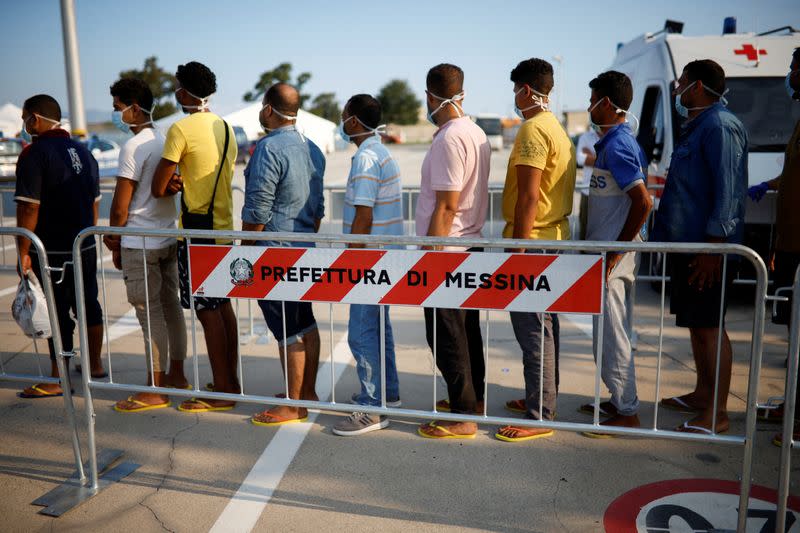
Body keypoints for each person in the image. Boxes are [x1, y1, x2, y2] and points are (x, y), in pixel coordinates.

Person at [652, 59, 748, 434]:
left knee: (710, 326)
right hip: (689, 247)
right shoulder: (699, 126)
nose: (677, 90)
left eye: (681, 84)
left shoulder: (720, 127)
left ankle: (717, 414)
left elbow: (728, 194)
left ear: (697, 86)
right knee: (696, 325)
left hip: (708, 249)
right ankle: (702, 394)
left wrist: (713, 249)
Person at [495, 58, 576, 443]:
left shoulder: (531, 129)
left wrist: (519, 251)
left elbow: (529, 196)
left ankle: (540, 413)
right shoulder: (556, 128)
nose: (513, 96)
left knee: (533, 330)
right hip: (553, 239)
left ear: (527, 90)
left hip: (533, 242)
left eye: (515, 89)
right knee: (545, 326)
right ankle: (542, 397)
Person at [151, 61, 239, 412]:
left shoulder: (181, 129)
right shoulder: (226, 127)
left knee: (206, 311)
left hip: (197, 232)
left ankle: (221, 390)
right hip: (222, 227)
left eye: (177, 88)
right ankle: (231, 381)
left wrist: (173, 181)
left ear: (184, 92)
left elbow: (159, 186)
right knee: (223, 307)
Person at [241, 83, 325, 426]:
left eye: (263, 105)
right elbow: (318, 208)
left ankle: (293, 403)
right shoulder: (314, 148)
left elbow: (258, 208)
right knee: (305, 321)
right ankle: (306, 392)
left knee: (287, 327)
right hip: (304, 246)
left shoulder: (269, 148)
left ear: (270, 109)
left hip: (275, 251)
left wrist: (245, 251)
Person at [104, 77, 189, 413]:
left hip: (140, 239)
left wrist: (114, 243)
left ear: (133, 108)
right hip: (168, 236)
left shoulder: (133, 147)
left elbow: (121, 205)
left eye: (117, 107)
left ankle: (155, 388)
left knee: (149, 313)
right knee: (171, 309)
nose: (117, 114)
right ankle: (177, 376)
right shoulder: (165, 138)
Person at [415, 63, 490, 440]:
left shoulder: (448, 138)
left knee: (447, 335)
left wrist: (430, 255)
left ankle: (463, 415)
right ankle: (472, 401)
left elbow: (446, 205)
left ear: (431, 96)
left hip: (448, 249)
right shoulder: (475, 132)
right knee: (467, 330)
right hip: (468, 243)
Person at [14, 94, 106, 397]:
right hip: (84, 242)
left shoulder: (34, 154)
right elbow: (94, 203)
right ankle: (94, 365)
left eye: (25, 116)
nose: (24, 123)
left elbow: (29, 208)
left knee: (56, 309)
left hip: (51, 247)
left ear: (36, 119)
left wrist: (23, 251)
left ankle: (57, 378)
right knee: (88, 304)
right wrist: (88, 235)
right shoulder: (83, 150)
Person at [579, 71, 653, 436]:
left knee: (613, 334)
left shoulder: (620, 144)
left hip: (612, 255)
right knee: (606, 333)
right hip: (608, 252)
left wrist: (616, 251)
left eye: (592, 98)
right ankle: (616, 397)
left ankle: (627, 409)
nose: (589, 105)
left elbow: (643, 201)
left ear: (607, 103)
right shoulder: (613, 142)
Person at [332, 94, 404, 436]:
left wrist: (353, 261)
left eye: (344, 115)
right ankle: (387, 394)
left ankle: (371, 408)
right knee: (379, 330)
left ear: (355, 121)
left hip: (367, 261)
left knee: (361, 334)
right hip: (382, 257)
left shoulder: (365, 158)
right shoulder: (381, 151)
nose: (342, 120)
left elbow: (364, 214)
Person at [748, 47, 800, 446]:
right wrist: (771, 185)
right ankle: (791, 406)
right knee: (793, 330)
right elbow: (793, 175)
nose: (790, 76)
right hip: (790, 242)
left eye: (795, 70)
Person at [575, 127, 599, 239]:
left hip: (608, 193)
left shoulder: (614, 136)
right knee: (585, 232)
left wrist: (592, 157)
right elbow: (580, 159)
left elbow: (615, 162)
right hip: (587, 191)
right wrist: (604, 160)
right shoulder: (586, 137)